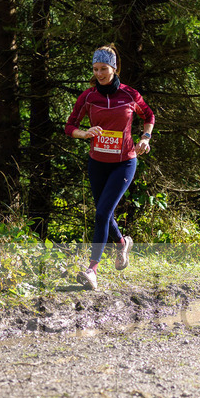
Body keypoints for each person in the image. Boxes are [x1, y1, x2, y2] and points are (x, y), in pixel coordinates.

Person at [65, 44, 155, 290]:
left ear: (114, 68)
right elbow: (69, 126)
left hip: (124, 163)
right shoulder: (88, 96)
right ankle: (122, 242)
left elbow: (149, 116)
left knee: (102, 214)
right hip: (97, 163)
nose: (99, 74)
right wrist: (85, 133)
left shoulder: (129, 95)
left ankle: (91, 270)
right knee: (104, 213)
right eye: (95, 69)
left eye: (104, 68)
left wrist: (145, 138)